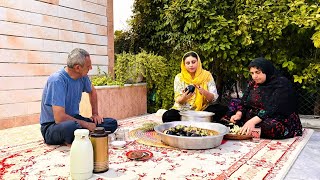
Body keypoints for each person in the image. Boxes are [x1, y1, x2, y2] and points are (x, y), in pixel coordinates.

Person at [40, 48, 118, 145]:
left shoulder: (83, 77)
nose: (91, 68)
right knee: (72, 127)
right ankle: (84, 134)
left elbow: (92, 91)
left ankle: (82, 135)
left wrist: (95, 114)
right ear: (77, 68)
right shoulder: (57, 80)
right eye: (88, 66)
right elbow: (59, 118)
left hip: (75, 119)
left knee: (111, 123)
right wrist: (86, 124)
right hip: (53, 126)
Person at [226, 57, 302, 139]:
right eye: (252, 73)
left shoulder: (281, 84)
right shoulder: (253, 84)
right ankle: (250, 127)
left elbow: (273, 108)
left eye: (257, 72)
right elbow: (244, 101)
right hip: (256, 115)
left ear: (267, 71)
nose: (254, 76)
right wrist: (238, 114)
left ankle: (249, 127)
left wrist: (252, 121)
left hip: (276, 117)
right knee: (231, 111)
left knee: (273, 127)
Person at [162, 51, 228, 122]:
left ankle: (191, 121)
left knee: (222, 108)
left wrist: (204, 92)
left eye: (193, 62)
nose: (191, 65)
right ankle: (198, 121)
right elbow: (178, 100)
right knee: (167, 116)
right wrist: (184, 97)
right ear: (184, 65)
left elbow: (213, 99)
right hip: (183, 111)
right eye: (188, 63)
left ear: (198, 62)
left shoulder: (207, 75)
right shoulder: (179, 77)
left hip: (202, 111)